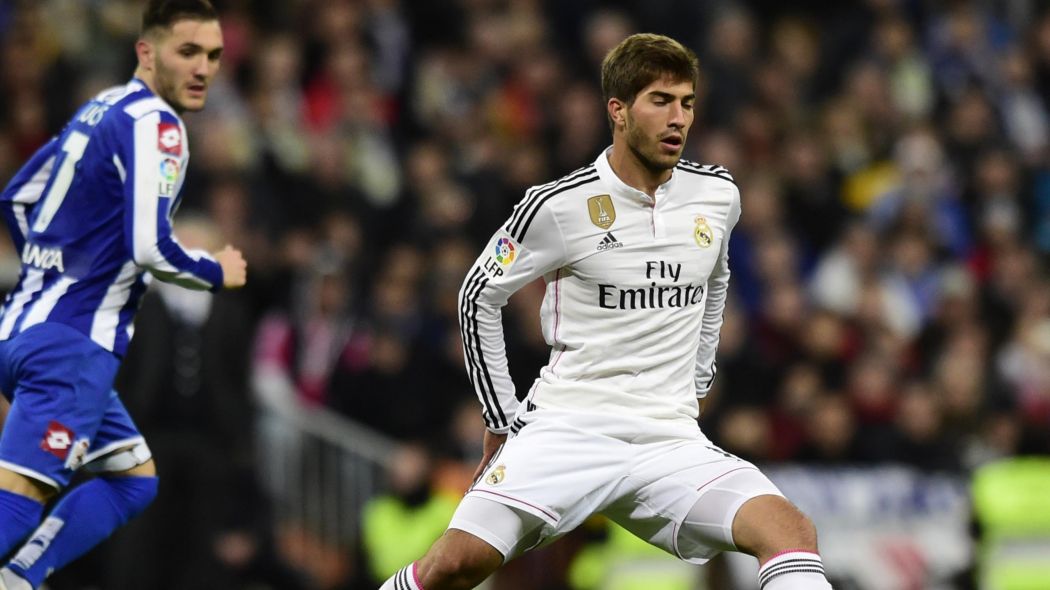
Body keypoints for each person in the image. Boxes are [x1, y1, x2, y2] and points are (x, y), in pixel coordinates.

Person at [379, 33, 833, 590]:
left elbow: (716, 283)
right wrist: (501, 419)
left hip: (668, 439)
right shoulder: (557, 205)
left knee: (790, 529)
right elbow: (478, 293)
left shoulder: (717, 195)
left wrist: (697, 383)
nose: (678, 119)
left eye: (687, 102)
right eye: (661, 101)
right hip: (569, 427)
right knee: (453, 565)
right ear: (618, 110)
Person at [0, 1, 245, 588]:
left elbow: (16, 198)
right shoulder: (160, 127)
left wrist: (55, 275)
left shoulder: (101, 108)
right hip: (72, 347)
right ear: (147, 52)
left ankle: (20, 578)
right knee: (18, 502)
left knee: (134, 480)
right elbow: (150, 246)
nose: (203, 68)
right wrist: (215, 271)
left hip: (25, 328)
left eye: (213, 55)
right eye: (187, 52)